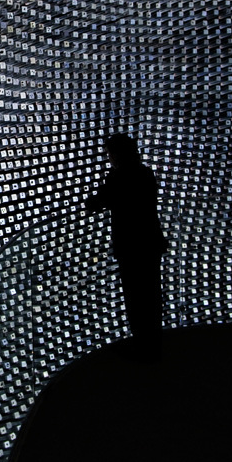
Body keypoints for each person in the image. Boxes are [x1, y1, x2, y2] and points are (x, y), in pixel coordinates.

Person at [84, 133, 166, 346]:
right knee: (151, 293)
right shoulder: (145, 173)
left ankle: (142, 343)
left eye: (110, 153)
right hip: (150, 242)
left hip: (130, 246)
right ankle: (154, 339)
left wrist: (90, 201)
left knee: (135, 296)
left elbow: (99, 201)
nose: (109, 157)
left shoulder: (118, 176)